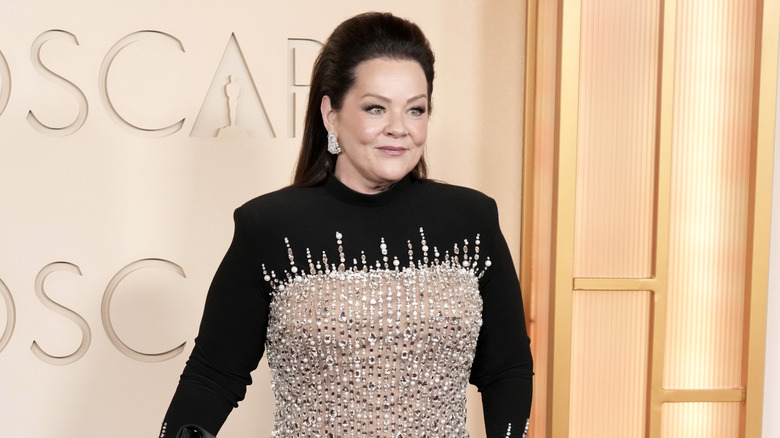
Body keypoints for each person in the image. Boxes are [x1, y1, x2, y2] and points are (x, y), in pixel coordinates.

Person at [160, 11, 532, 438]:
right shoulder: (268, 227)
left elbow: (507, 369)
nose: (399, 129)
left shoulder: (472, 220)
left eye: (416, 109)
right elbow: (213, 377)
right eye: (376, 108)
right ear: (331, 114)